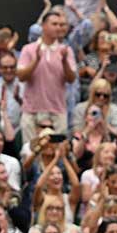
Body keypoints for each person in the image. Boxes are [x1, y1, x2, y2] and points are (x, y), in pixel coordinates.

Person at [16, 10, 76, 140]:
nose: (59, 28)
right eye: (54, 24)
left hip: (57, 111)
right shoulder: (28, 49)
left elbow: (71, 79)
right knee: (30, 152)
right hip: (31, 111)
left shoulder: (67, 50)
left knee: (57, 152)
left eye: (61, 25)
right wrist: (36, 60)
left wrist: (64, 60)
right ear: (43, 26)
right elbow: (21, 76)